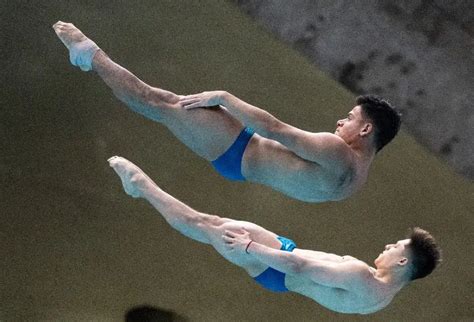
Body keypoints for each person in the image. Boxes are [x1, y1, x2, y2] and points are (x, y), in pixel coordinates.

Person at [53, 21, 401, 203]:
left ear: (366, 130)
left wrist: (224, 97)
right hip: (240, 163)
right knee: (161, 107)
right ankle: (89, 58)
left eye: (350, 118)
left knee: (158, 102)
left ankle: (87, 54)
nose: (341, 121)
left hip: (239, 145)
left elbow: (274, 129)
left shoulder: (338, 151)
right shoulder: (356, 181)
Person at [107, 156, 440, 315]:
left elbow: (300, 269)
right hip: (280, 261)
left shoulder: (362, 277)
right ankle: (140, 188)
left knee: (203, 224)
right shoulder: (382, 298)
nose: (387, 245)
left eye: (395, 245)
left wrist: (251, 247)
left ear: (401, 260)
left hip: (276, 264)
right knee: (208, 224)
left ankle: (140, 186)